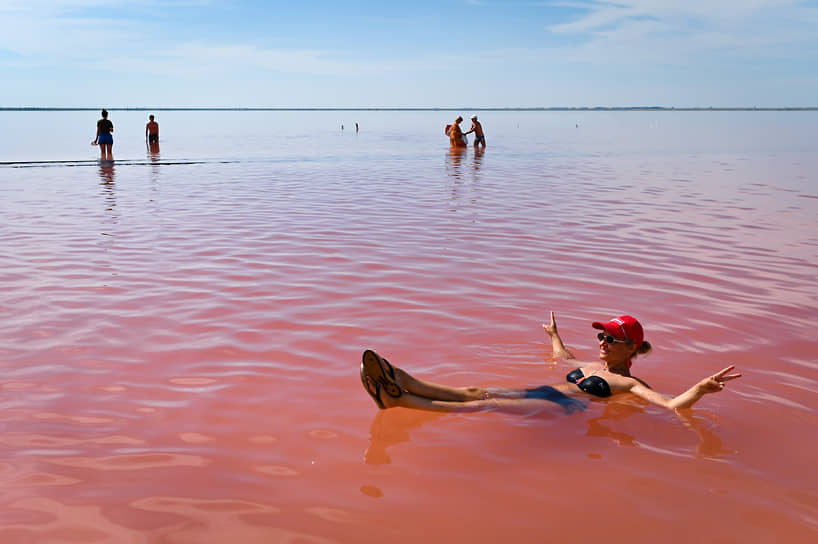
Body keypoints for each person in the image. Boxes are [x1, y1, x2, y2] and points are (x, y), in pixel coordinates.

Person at [360, 312, 741, 413]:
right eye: (601, 336)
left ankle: (399, 398)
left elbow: (670, 405)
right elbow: (565, 358)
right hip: (546, 392)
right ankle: (397, 378)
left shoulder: (630, 384)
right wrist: (554, 336)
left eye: (611, 338)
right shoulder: (593, 363)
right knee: (477, 390)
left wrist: (700, 390)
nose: (603, 342)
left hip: (562, 406)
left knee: (484, 405)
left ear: (631, 349)